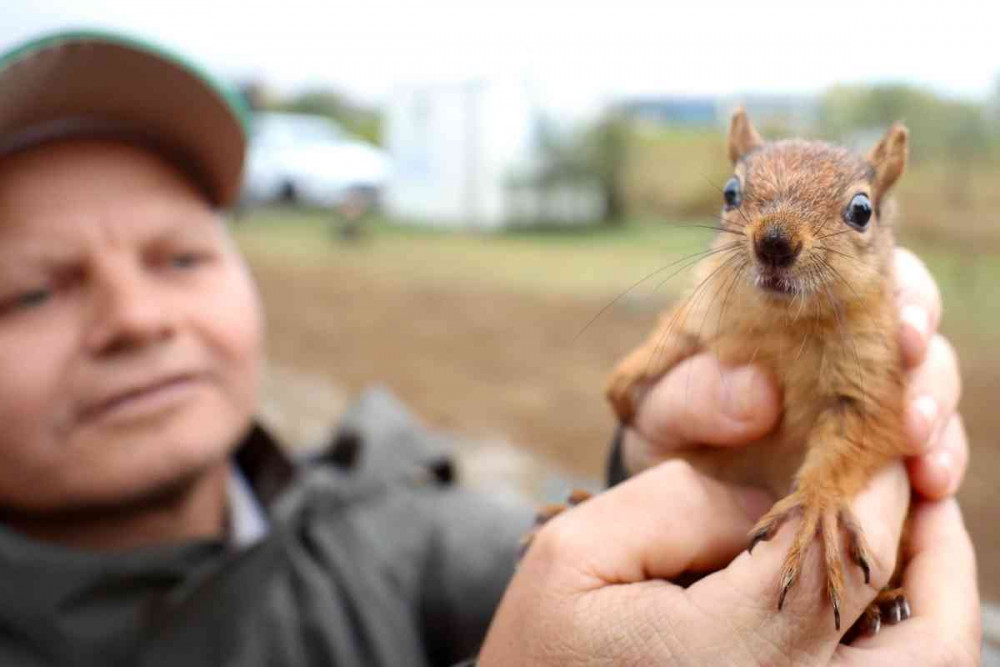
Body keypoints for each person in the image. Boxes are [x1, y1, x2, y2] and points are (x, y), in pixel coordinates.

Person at [0, 29, 977, 666]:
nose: (135, 317)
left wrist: (641, 455)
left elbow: (554, 563)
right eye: (31, 289)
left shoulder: (392, 526)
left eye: (178, 256)